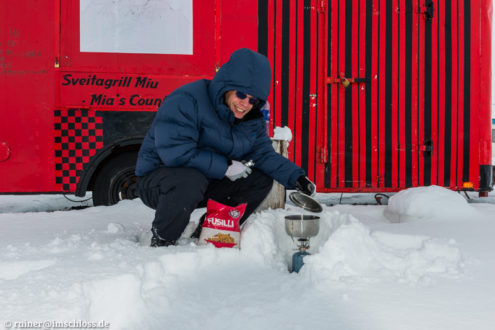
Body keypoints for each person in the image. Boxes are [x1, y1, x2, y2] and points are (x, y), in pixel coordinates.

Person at [135, 48, 316, 247]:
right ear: (226, 87)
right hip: (159, 181)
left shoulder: (250, 118)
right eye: (241, 94)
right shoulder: (187, 100)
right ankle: (163, 239)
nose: (245, 104)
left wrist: (296, 177)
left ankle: (213, 230)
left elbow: (263, 153)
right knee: (189, 179)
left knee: (259, 179)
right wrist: (226, 166)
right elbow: (175, 153)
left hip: (205, 180)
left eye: (253, 100)